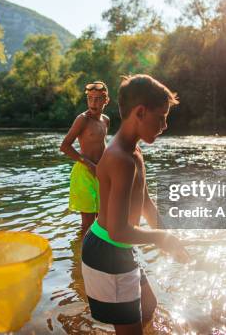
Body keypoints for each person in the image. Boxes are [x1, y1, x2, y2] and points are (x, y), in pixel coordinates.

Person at [81, 74, 190, 335]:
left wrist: (166, 233)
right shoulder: (121, 158)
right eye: (162, 117)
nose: (165, 125)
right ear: (140, 112)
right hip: (107, 252)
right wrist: (161, 238)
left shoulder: (134, 152)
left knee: (149, 306)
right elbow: (118, 231)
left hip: (117, 249)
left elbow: (145, 202)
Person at [60, 81, 110, 235]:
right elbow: (65, 146)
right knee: (87, 225)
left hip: (100, 173)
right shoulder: (82, 119)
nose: (93, 103)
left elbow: (102, 144)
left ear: (105, 100)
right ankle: (80, 257)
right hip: (84, 174)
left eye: (97, 99)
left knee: (102, 220)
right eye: (90, 98)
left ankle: (99, 254)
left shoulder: (106, 120)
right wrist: (89, 165)